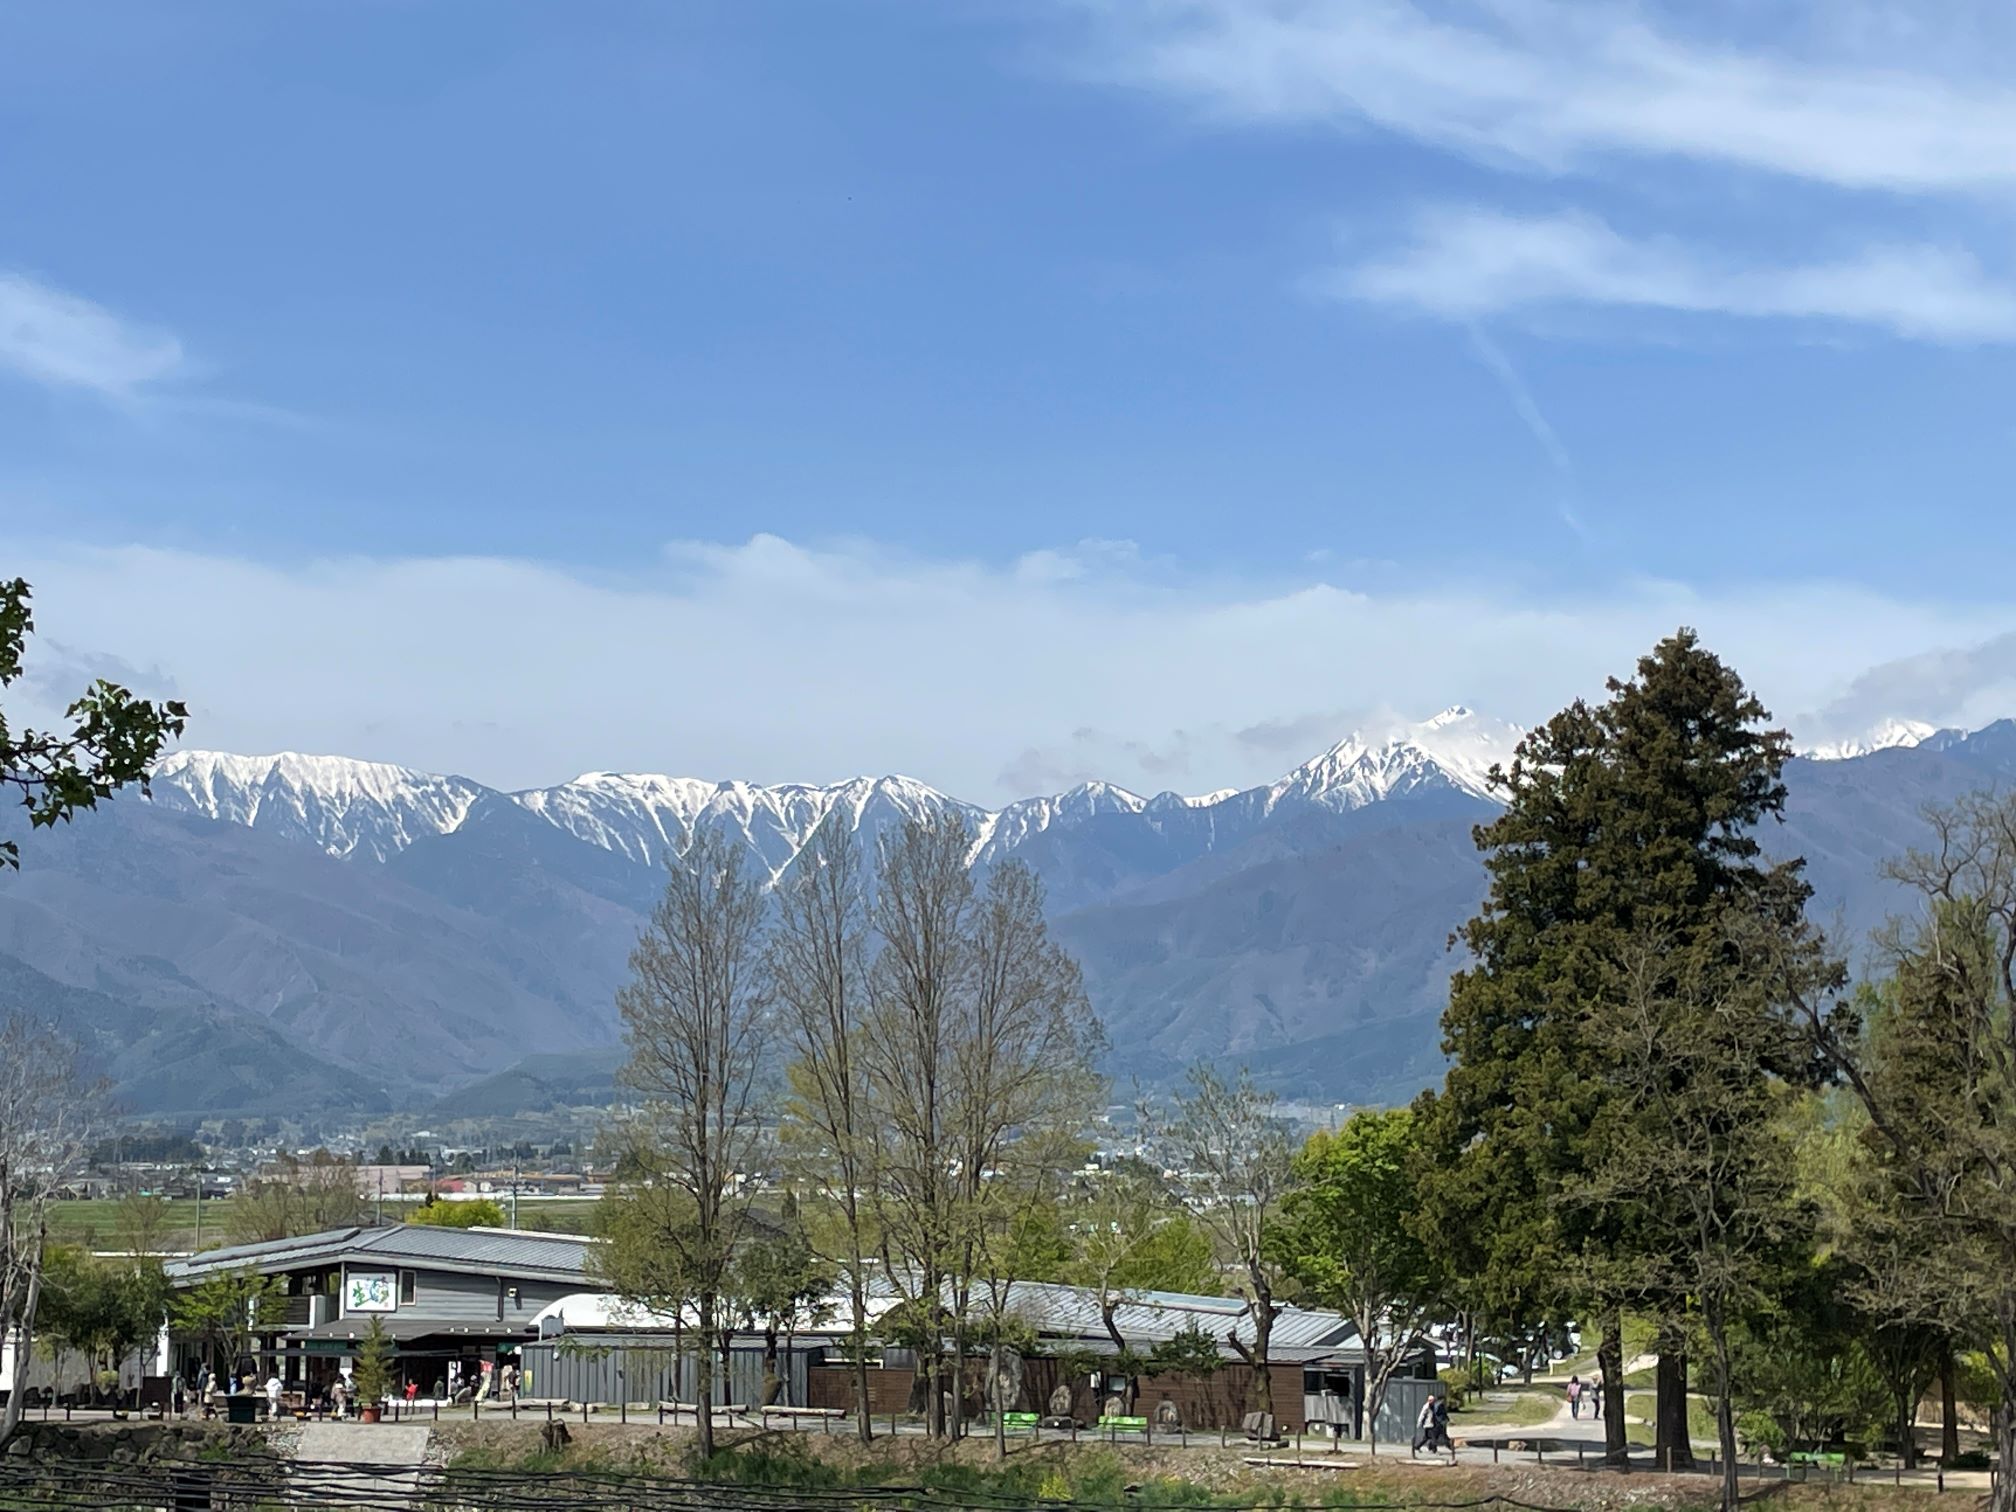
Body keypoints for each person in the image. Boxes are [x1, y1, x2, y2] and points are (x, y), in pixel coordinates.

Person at [1413, 1393, 1440, 1458]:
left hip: (1431, 1424)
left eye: (1434, 1400)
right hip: (1428, 1424)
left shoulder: (1432, 1406)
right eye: (1432, 1400)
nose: (1433, 1401)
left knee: (1426, 1438)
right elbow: (1422, 1415)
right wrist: (1419, 1422)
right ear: (1429, 1400)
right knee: (1433, 1437)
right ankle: (1434, 1450)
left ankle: (1417, 1447)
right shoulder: (1426, 1407)